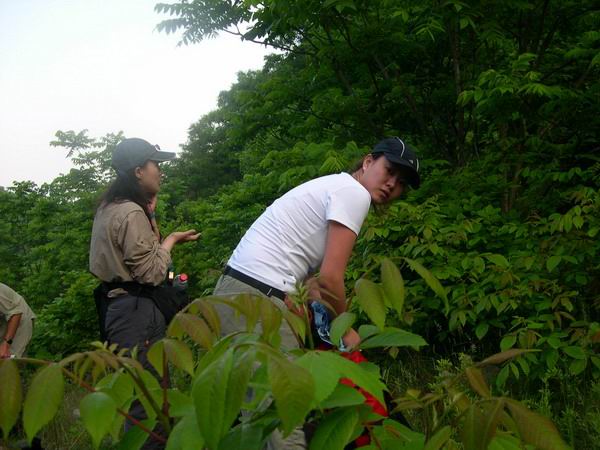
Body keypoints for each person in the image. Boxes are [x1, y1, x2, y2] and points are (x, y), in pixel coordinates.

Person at [213, 137, 420, 449]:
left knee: (261, 422)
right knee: (285, 422)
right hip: (256, 297)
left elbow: (311, 277)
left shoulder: (333, 186)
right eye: (389, 171)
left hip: (240, 292)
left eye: (401, 182)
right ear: (367, 162)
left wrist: (303, 302)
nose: (392, 184)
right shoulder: (353, 193)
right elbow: (330, 278)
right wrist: (345, 330)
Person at [89, 137, 199, 449]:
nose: (160, 171)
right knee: (151, 402)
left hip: (117, 307)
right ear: (139, 171)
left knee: (141, 395)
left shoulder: (109, 208)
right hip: (137, 312)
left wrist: (150, 213)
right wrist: (170, 242)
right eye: (156, 165)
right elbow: (151, 273)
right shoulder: (130, 213)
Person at [0, 283, 36, 358]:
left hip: (19, 319)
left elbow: (16, 313)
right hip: (4, 319)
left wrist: (6, 345)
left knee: (7, 358)